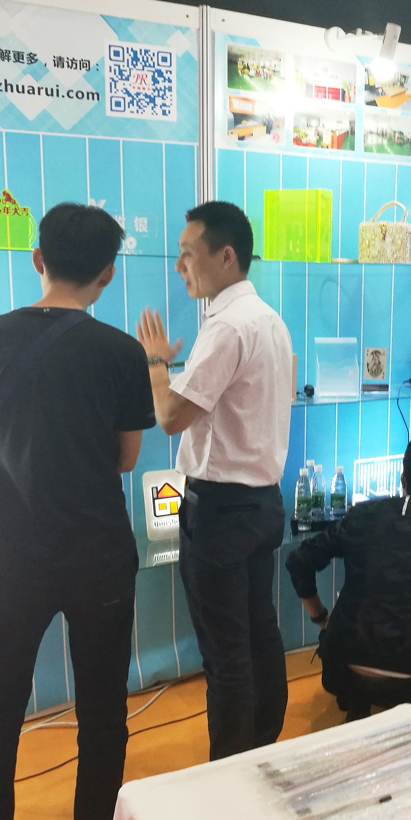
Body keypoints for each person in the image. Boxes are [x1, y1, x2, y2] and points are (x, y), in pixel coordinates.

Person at [0, 203, 155, 820]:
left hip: (18, 554)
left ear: (37, 259)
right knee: (103, 712)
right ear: (108, 273)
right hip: (100, 554)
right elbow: (127, 459)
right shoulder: (122, 353)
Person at [136, 201, 292, 760]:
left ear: (226, 256)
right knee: (259, 632)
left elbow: (171, 416)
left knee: (226, 653)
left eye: (188, 254)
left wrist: (156, 364)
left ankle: (229, 768)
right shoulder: (268, 319)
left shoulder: (225, 326)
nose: (180, 266)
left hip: (222, 512)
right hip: (262, 504)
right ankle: (263, 745)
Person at [285, 435, 411, 722]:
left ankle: (360, 700)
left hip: (346, 663)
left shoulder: (361, 515)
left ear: (403, 478)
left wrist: (321, 618)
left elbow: (298, 561)